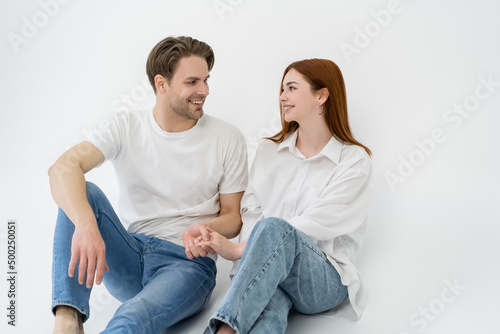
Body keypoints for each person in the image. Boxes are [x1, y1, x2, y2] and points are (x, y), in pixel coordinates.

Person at [48, 36, 248, 334]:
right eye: (192, 81)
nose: (204, 91)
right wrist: (86, 225)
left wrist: (206, 230)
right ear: (161, 84)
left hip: (187, 263)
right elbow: (62, 168)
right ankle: (67, 318)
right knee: (83, 192)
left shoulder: (227, 137)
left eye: (206, 80)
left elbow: (234, 216)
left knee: (130, 318)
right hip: (130, 253)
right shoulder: (126, 125)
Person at [196, 58, 372, 334]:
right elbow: (251, 213)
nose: (282, 97)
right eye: (281, 89)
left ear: (321, 96)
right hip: (267, 272)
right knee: (268, 313)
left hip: (322, 281)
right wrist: (255, 256)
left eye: (291, 88)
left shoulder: (353, 161)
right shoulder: (268, 151)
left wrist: (241, 250)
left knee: (275, 227)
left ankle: (222, 331)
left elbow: (319, 222)